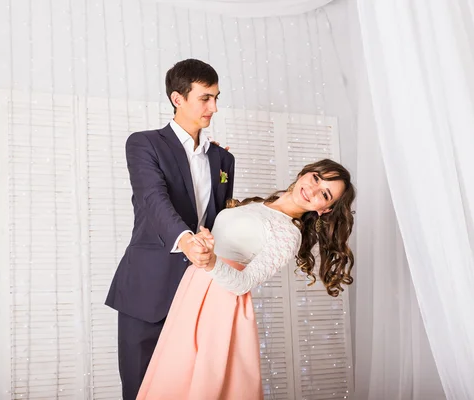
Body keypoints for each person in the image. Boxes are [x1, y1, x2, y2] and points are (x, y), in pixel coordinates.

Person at [137, 159, 355, 400]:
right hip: (196, 289)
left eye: (324, 194)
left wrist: (210, 261)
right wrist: (210, 160)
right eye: (316, 178)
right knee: (175, 374)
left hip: (219, 302)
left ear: (325, 209)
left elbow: (243, 283)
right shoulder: (262, 205)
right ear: (305, 172)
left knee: (200, 383)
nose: (312, 189)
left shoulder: (288, 234)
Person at [105, 59, 235, 400]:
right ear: (178, 98)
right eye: (205, 98)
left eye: (217, 98)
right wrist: (187, 240)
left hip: (200, 292)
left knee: (192, 389)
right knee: (140, 390)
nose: (214, 107)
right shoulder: (144, 144)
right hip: (146, 290)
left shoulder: (224, 160)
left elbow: (217, 219)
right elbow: (153, 199)